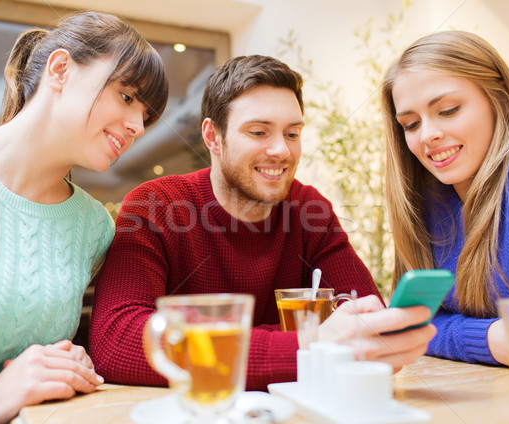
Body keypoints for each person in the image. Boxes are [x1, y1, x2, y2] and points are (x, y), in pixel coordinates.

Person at [90, 54, 435, 391]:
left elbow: (363, 318)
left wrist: (355, 335)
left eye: (292, 134)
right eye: (258, 132)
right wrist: (307, 346)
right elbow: (118, 341)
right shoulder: (156, 206)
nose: (281, 151)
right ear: (213, 137)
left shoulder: (308, 209)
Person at [0, 11, 168, 423]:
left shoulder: (92, 226)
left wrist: (64, 365)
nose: (139, 126)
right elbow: (3, 389)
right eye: (127, 96)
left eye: (147, 114)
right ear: (60, 68)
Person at [381, 30, 509, 367]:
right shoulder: (429, 200)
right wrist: (493, 339)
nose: (428, 135)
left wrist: (463, 334)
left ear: (498, 98)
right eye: (411, 123)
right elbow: (408, 324)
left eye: (448, 110)